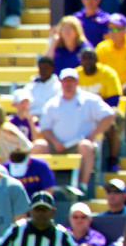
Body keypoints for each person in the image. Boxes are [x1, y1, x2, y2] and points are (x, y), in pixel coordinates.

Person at [31, 68, 115, 196]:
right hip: (56, 145)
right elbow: (45, 129)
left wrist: (93, 135)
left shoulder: (90, 100)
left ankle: (83, 186)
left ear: (77, 82)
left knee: (86, 146)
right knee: (38, 147)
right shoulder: (52, 103)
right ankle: (37, 186)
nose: (68, 84)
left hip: (78, 144)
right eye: (66, 81)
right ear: (60, 82)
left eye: (72, 81)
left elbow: (108, 115)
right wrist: (55, 142)